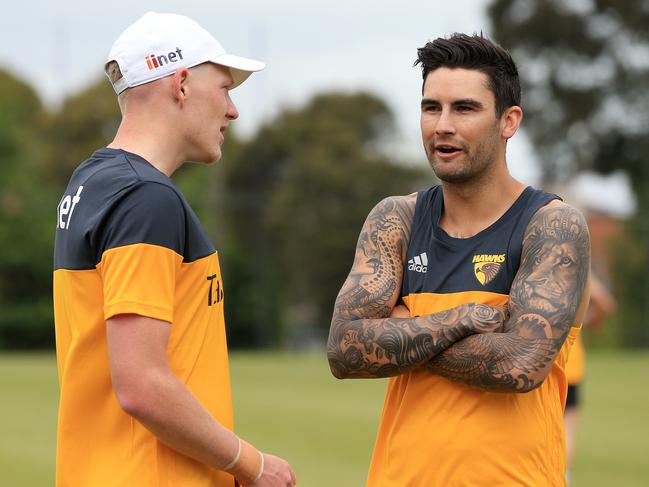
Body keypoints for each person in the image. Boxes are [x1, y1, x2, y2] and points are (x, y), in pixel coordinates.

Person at [327, 33, 590, 486]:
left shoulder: (552, 225)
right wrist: (462, 320)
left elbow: (519, 364)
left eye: (464, 108)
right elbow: (345, 350)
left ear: (509, 121)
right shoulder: (397, 219)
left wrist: (401, 330)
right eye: (431, 108)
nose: (442, 125)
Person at [53, 12, 295, 487]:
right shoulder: (146, 198)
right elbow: (141, 385)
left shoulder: (91, 183)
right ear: (181, 83)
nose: (233, 110)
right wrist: (252, 464)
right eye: (225, 88)